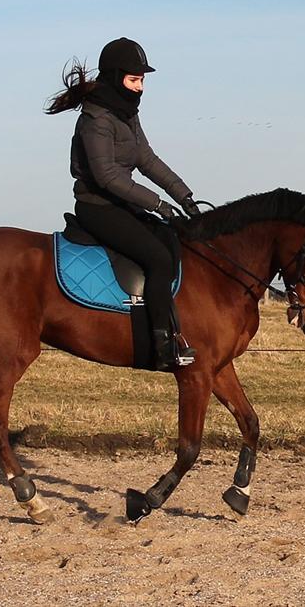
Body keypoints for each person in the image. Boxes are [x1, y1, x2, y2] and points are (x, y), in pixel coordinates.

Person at [45, 37, 201, 370]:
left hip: (121, 204)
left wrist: (184, 196)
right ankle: (163, 346)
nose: (140, 87)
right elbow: (107, 177)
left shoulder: (126, 113)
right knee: (158, 258)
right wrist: (158, 204)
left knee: (173, 241)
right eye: (134, 79)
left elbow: (146, 158)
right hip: (98, 206)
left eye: (142, 80)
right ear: (117, 78)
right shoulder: (96, 119)